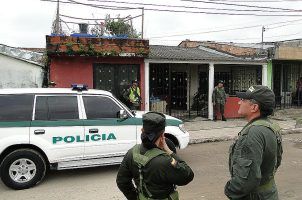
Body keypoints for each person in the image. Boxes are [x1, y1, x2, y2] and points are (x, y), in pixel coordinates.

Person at [116, 112, 194, 200]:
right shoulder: (165, 161)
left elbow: (121, 182)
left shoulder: (131, 153)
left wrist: (135, 197)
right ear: (162, 135)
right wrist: (169, 151)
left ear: (142, 130)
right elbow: (188, 175)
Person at [225, 85, 283, 200]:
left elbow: (245, 180)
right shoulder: (271, 126)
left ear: (254, 107)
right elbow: (277, 161)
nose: (239, 103)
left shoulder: (253, 133)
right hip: (269, 193)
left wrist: (229, 190)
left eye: (243, 100)